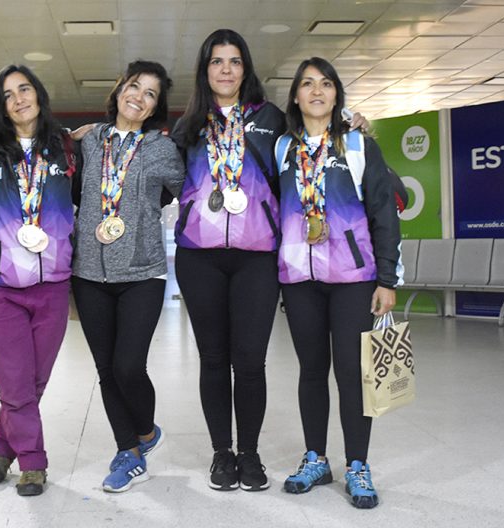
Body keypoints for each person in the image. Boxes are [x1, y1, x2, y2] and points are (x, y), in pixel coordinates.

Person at [273, 57, 401, 509]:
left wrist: (387, 278)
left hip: (353, 278)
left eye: (325, 84)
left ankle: (358, 465)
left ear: (336, 94)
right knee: (311, 371)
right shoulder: (283, 148)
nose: (316, 91)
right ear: (295, 95)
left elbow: (384, 211)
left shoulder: (358, 144)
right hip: (300, 279)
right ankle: (316, 459)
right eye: (307, 84)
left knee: (351, 373)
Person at [170, 28, 286, 492]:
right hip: (200, 258)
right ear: (205, 70)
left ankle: (251, 453)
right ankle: (222, 452)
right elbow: (155, 175)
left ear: (246, 69)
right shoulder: (188, 125)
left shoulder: (272, 118)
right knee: (213, 359)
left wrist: (352, 127)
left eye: (234, 61)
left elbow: (308, 155)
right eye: (216, 61)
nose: (225, 69)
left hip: (257, 257)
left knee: (251, 360)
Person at [70, 60, 185, 493]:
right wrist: (70, 135)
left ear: (156, 106)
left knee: (128, 365)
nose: (139, 96)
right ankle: (130, 453)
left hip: (142, 273)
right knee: (105, 369)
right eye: (134, 86)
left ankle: (146, 431)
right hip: (88, 273)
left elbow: (188, 186)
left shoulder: (161, 148)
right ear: (119, 89)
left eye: (151, 93)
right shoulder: (90, 141)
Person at [0, 64, 77, 497]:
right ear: (0, 106)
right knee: (15, 379)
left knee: (31, 381)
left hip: (53, 284)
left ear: (39, 94)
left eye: (25, 89)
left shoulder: (67, 148)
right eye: (7, 94)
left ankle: (1, 447)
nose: (18, 99)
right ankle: (33, 461)